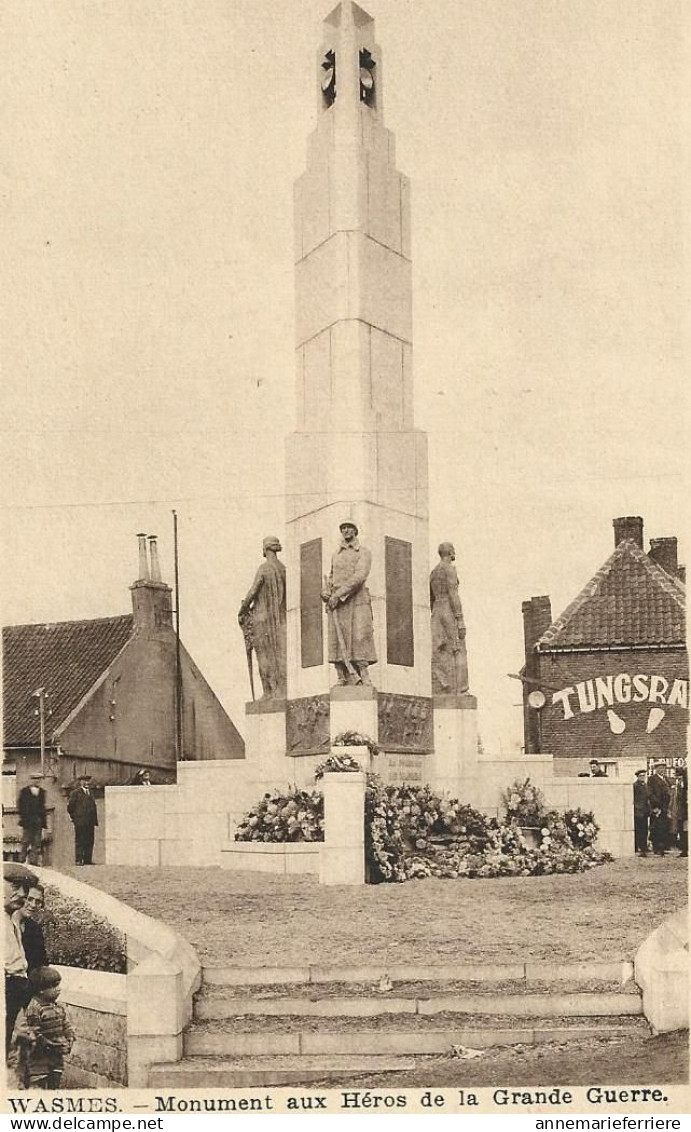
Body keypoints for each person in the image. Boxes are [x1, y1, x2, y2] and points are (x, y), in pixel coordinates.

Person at [321, 521, 376, 687]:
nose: (346, 531)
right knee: (337, 641)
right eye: (343, 528)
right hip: (336, 605)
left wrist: (338, 594)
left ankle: (364, 675)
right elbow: (331, 576)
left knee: (359, 638)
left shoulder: (364, 552)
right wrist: (326, 592)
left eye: (349, 528)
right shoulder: (335, 554)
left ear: (355, 531)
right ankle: (341, 676)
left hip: (356, 600)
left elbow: (360, 576)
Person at [238, 536, 287, 700]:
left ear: (265, 549)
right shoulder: (283, 568)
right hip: (280, 621)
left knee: (263, 656)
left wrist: (242, 609)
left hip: (262, 619)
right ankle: (278, 689)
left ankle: (268, 691)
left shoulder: (264, 568)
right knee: (279, 654)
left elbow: (253, 591)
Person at [14, 966, 75, 1090]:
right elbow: (34, 1031)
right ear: (41, 990)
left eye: (58, 985)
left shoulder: (59, 1007)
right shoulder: (35, 1008)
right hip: (39, 1054)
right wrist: (47, 1044)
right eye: (54, 986)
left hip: (56, 1053)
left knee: (55, 1078)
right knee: (39, 1081)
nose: (59, 989)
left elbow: (66, 1024)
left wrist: (70, 1038)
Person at [430, 542, 469, 695]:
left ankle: (443, 683)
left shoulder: (433, 572)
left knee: (439, 649)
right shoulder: (449, 569)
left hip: (436, 611)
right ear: (450, 553)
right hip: (448, 609)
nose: (455, 554)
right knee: (458, 648)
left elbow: (431, 598)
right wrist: (460, 619)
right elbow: (453, 594)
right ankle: (461, 688)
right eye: (453, 551)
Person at [4, 869, 30, 1058]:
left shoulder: (10, 920)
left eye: (24, 889)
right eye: (14, 887)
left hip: (16, 990)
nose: (21, 894)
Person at [66, 774, 98, 865]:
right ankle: (79, 860)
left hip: (90, 821)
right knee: (80, 840)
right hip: (80, 821)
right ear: (80, 782)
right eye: (84, 781)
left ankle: (88, 860)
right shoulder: (75, 793)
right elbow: (70, 807)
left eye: (88, 781)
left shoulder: (91, 793)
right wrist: (75, 818)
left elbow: (93, 807)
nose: (86, 783)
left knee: (89, 840)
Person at [17, 775, 48, 866]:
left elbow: (43, 808)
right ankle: (21, 860)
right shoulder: (24, 791)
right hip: (27, 821)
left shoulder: (42, 792)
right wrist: (24, 818)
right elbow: (20, 806)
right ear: (30, 780)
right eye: (34, 779)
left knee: (37, 842)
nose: (36, 781)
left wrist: (44, 823)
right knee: (25, 841)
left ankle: (33, 861)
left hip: (38, 821)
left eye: (38, 779)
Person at [19, 885, 48, 974]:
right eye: (29, 899)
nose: (33, 905)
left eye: (38, 901)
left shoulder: (34, 929)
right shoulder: (6, 925)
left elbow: (41, 962)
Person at [648, 762, 672, 856]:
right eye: (660, 768)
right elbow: (650, 793)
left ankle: (662, 847)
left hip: (665, 807)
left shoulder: (665, 779)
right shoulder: (652, 779)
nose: (662, 770)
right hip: (657, 808)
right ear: (656, 769)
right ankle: (656, 847)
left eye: (663, 768)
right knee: (656, 828)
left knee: (664, 828)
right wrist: (655, 806)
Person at [670, 767, 688, 857]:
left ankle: (685, 850)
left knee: (685, 831)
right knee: (681, 831)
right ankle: (684, 849)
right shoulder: (678, 785)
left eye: (680, 776)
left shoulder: (685, 786)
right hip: (679, 812)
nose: (678, 778)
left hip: (685, 813)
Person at [633, 769, 649, 857]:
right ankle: (638, 848)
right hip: (638, 812)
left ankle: (643, 847)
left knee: (644, 830)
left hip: (645, 812)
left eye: (644, 776)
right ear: (638, 777)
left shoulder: (646, 786)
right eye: (641, 776)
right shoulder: (635, 786)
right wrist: (637, 808)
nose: (643, 777)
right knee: (638, 830)